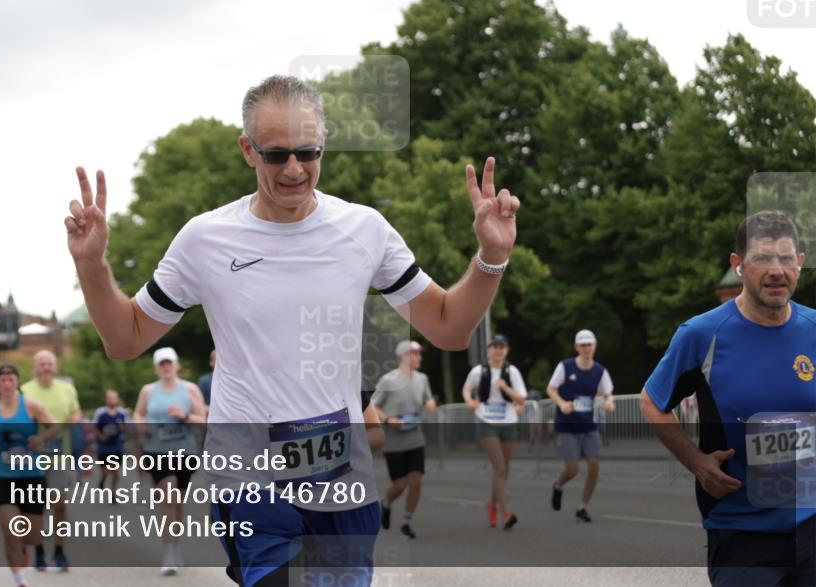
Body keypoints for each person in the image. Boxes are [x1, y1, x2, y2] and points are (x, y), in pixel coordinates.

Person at [64, 74, 519, 586]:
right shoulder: (205, 239)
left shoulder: (365, 230)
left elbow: (449, 327)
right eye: (277, 155)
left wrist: (492, 256)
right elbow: (125, 339)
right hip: (249, 480)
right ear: (248, 151)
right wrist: (92, 265)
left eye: (308, 152)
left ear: (324, 143)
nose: (295, 169)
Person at [640, 211, 815, 585]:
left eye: (786, 258)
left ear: (800, 263)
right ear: (738, 264)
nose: (776, 271)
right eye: (762, 258)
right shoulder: (702, 335)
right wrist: (696, 462)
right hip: (741, 533)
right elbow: (652, 402)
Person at [0, 364, 59, 587]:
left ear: (17, 383)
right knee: (9, 530)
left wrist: (40, 439)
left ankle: (23, 548)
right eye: (2, 380)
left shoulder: (31, 405)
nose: (6, 384)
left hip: (32, 476)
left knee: (32, 536)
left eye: (10, 379)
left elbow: (54, 427)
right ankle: (19, 578)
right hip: (3, 477)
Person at [133, 347, 208, 576]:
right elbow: (138, 413)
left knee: (178, 503)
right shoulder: (148, 390)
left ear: (177, 365)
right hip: (156, 451)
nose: (165, 367)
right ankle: (168, 553)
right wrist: (140, 425)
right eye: (161, 364)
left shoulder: (190, 389)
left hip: (185, 452)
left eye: (169, 363)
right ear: (156, 368)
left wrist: (184, 416)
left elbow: (202, 421)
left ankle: (175, 544)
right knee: (168, 496)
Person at [20, 350, 81, 572]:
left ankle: (59, 550)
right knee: (34, 508)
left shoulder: (67, 389)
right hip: (32, 458)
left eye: (49, 363)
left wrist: (74, 418)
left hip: (59, 456)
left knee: (60, 505)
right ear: (34, 368)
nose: (46, 367)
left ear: (55, 367)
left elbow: (76, 412)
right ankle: (38, 551)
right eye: (42, 364)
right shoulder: (24, 391)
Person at [546, 329, 615, 522]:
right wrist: (561, 404)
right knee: (573, 470)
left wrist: (609, 403)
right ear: (577, 347)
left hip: (588, 425)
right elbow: (550, 389)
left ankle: (582, 506)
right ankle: (558, 485)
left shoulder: (600, 371)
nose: (586, 348)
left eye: (589, 345)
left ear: (595, 346)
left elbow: (607, 394)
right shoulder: (565, 366)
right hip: (567, 425)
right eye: (583, 345)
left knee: (594, 465)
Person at [372, 340, 436, 539]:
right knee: (400, 484)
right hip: (394, 441)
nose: (419, 358)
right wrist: (388, 419)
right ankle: (386, 503)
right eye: (415, 354)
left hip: (415, 438)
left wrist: (431, 404)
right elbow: (373, 406)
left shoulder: (422, 379)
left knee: (416, 480)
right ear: (404, 357)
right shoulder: (388, 381)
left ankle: (407, 521)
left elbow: (428, 400)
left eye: (419, 354)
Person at [462, 334, 527, 529]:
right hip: (487, 421)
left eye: (501, 347)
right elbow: (466, 389)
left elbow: (521, 399)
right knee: (499, 468)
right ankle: (506, 513)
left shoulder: (512, 371)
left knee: (504, 469)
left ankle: (491, 503)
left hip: (508, 422)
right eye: (495, 346)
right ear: (488, 349)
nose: (498, 350)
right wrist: (470, 401)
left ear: (506, 350)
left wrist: (506, 388)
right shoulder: (479, 371)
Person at [93, 389, 128, 493]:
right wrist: (100, 436)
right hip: (103, 447)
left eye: (114, 398)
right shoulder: (100, 413)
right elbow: (94, 427)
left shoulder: (122, 413)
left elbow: (128, 428)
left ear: (117, 399)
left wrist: (123, 428)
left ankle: (113, 493)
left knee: (116, 473)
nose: (112, 400)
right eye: (110, 398)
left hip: (116, 446)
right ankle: (103, 479)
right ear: (106, 399)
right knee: (105, 470)